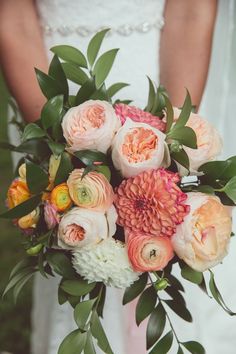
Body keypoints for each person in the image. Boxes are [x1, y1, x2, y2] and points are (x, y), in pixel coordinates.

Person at [1, 0, 231, 353]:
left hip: (161, 75)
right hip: (52, 88)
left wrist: (170, 151)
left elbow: (192, 9)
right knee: (72, 243)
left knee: (170, 239)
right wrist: (59, 145)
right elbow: (12, 16)